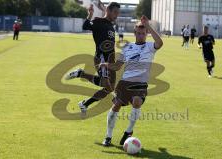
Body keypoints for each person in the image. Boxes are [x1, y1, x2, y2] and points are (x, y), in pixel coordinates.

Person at [101, 15, 163, 146]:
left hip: (140, 83)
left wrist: (148, 25)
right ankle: (108, 136)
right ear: (135, 33)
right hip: (124, 83)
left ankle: (128, 131)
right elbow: (118, 66)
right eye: (139, 33)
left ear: (146, 34)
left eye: (143, 33)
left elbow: (160, 43)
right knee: (116, 106)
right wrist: (106, 65)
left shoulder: (150, 46)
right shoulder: (127, 47)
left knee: (137, 101)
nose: (141, 35)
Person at [65, 1, 120, 114]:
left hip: (110, 61)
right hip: (101, 59)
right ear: (108, 11)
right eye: (115, 12)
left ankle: (84, 104)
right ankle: (81, 74)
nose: (116, 15)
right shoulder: (98, 22)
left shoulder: (111, 26)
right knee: (106, 85)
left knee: (110, 88)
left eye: (118, 13)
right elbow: (85, 26)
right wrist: (90, 15)